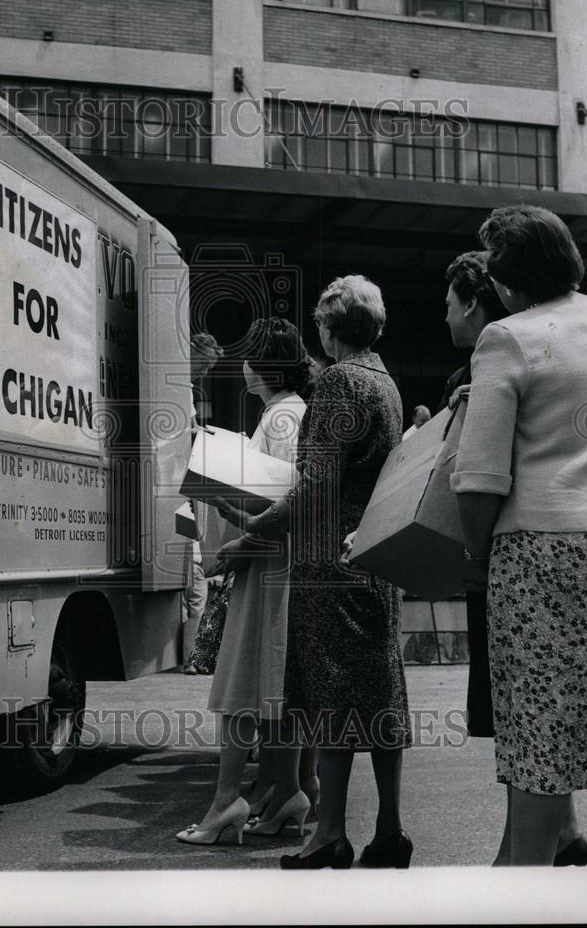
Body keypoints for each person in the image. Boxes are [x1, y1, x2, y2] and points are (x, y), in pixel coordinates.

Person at [220, 276, 412, 870]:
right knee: (379, 691)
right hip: (374, 554)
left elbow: (315, 485)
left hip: (327, 560)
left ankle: (329, 832)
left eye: (320, 324)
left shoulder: (337, 382)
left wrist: (256, 529)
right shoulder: (386, 382)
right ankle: (388, 830)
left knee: (328, 697)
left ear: (330, 328)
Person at [451, 205, 587, 866]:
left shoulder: (507, 337)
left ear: (506, 285)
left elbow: (478, 478)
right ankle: (548, 845)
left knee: (540, 727)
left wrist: (473, 555)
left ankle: (526, 876)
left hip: (539, 553)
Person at [176, 318, 313, 845]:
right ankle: (287, 794)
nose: (243, 368)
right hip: (279, 563)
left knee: (239, 688)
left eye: (251, 358)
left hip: (269, 566)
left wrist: (239, 540)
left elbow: (286, 505)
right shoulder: (289, 414)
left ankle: (225, 802)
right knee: (278, 689)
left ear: (266, 366)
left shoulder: (281, 421)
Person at [440, 251, 508, 737]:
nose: (444, 315)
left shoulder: (495, 365)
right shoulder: (460, 381)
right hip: (483, 559)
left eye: (449, 303)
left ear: (470, 306)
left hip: (498, 553)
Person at [182, 333, 224, 675]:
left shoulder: (190, 389)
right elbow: (187, 431)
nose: (205, 371)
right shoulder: (177, 386)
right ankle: (191, 658)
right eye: (204, 363)